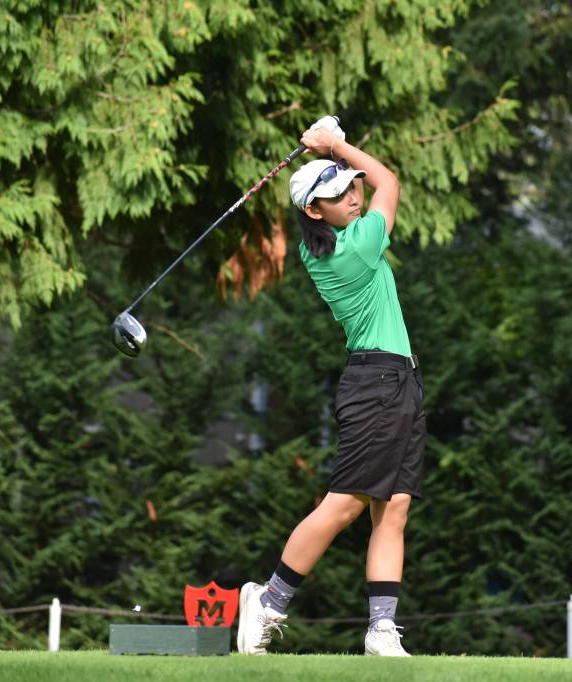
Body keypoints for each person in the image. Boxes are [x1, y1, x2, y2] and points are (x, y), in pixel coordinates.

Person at [236, 119, 425, 657]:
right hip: (379, 384)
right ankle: (269, 602)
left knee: (394, 508)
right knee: (344, 504)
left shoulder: (325, 247)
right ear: (314, 210)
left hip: (398, 380)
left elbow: (371, 185)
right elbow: (387, 182)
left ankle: (382, 630)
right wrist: (335, 144)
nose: (352, 196)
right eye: (337, 195)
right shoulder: (356, 247)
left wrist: (333, 155)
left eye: (349, 187)